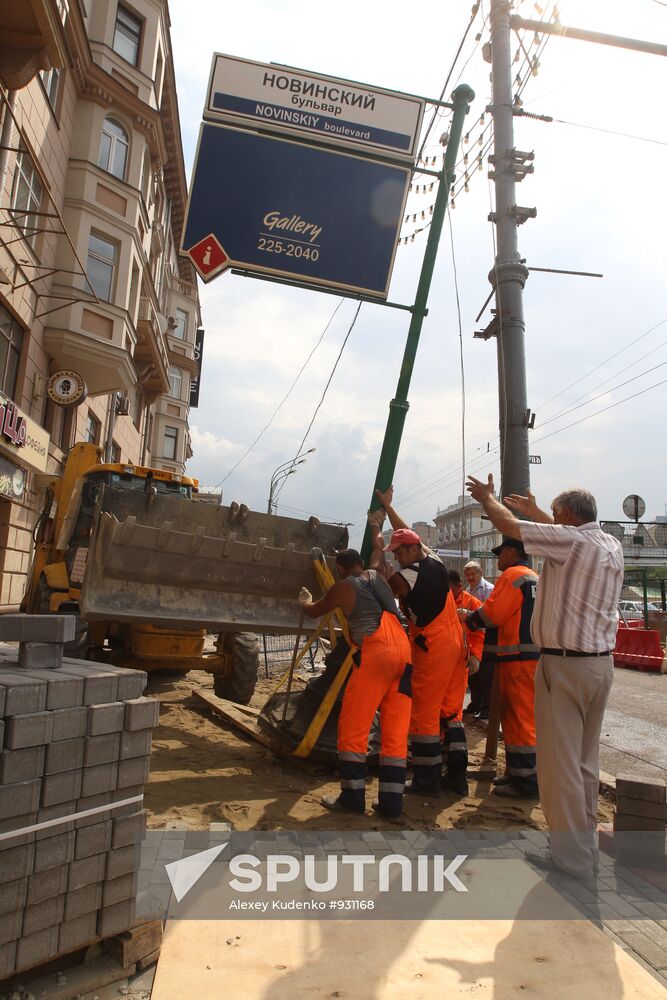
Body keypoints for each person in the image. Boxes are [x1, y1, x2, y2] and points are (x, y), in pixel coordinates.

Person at [465, 476, 624, 879]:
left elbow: (513, 529)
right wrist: (536, 510)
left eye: (556, 515)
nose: (551, 522)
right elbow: (553, 530)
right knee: (585, 764)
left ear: (569, 516)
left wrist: (488, 499)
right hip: (598, 665)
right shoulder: (609, 544)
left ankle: (570, 861)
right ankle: (582, 852)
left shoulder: (569, 544)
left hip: (563, 666)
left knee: (559, 766)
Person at [298, 548, 412, 818]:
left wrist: (304, 601)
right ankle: (391, 804)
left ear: (339, 568)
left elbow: (315, 611)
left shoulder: (341, 588)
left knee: (353, 728)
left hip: (377, 653)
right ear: (361, 564)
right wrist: (376, 526)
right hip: (404, 654)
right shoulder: (376, 576)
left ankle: (352, 798)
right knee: (395, 732)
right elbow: (376, 558)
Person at [369, 488, 468, 797]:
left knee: (424, 715)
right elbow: (407, 531)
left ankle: (427, 782)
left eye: (398, 553)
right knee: (451, 712)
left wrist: (376, 532)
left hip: (434, 648)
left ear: (411, 551)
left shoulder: (409, 575)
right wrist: (389, 506)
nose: (396, 557)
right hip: (456, 646)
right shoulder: (433, 559)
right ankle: (457, 778)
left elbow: (379, 577)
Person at [457, 538, 540, 799]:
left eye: (500, 552)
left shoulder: (514, 575)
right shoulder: (532, 576)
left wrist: (469, 618)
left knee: (520, 718)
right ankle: (518, 773)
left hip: (518, 657)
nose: (498, 559)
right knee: (516, 718)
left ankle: (527, 782)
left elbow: (493, 614)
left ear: (512, 551)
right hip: (524, 656)